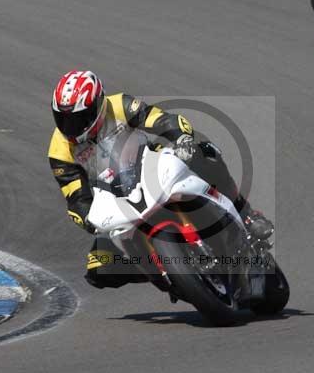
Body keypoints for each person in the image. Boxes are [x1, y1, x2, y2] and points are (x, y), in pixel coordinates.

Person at [48, 70, 273, 289]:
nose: (70, 127)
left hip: (149, 167)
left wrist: (181, 137)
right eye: (63, 119)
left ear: (99, 104)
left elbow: (161, 120)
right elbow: (75, 195)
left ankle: (246, 215)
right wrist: (88, 218)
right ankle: (164, 272)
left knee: (206, 153)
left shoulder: (119, 105)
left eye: (78, 118)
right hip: (113, 198)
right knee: (98, 267)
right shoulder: (59, 150)